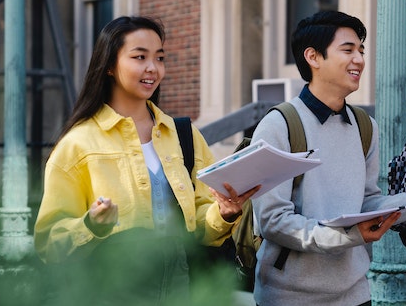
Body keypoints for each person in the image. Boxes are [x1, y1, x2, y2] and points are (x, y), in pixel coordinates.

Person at [33, 16, 258, 305]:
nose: (153, 68)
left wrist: (225, 212)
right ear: (110, 66)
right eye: (140, 57)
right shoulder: (78, 144)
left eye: (159, 58)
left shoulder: (184, 135)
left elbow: (200, 228)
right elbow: (50, 243)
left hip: (183, 290)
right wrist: (91, 225)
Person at [250, 10, 406, 306]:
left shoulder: (365, 126)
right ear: (313, 57)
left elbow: (367, 202)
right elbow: (272, 221)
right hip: (288, 297)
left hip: (355, 294)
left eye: (361, 50)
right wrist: (344, 236)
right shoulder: (278, 125)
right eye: (348, 50)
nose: (359, 60)